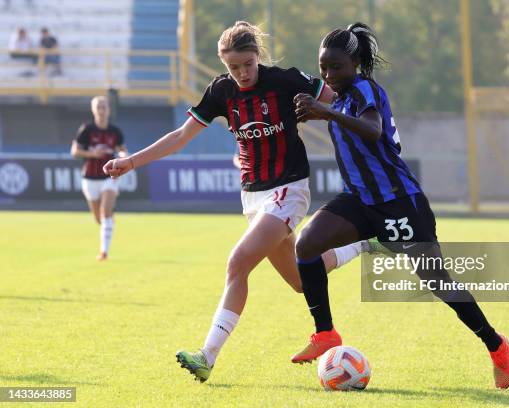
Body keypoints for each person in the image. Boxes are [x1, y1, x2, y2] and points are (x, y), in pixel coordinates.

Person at [103, 21, 366, 383]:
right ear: (223, 65)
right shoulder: (221, 91)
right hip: (253, 196)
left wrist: (374, 126)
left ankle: (207, 356)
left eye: (248, 63)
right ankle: (366, 243)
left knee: (237, 262)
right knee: (301, 280)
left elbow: (342, 104)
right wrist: (131, 161)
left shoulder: (285, 80)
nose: (242, 73)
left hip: (289, 189)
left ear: (258, 56)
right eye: (233, 67)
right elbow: (181, 136)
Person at [290, 22, 509, 389]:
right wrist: (319, 110)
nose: (329, 75)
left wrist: (324, 111)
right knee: (307, 243)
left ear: (356, 63)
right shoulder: (342, 96)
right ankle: (326, 333)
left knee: (437, 282)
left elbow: (372, 129)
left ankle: (496, 345)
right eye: (323, 67)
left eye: (336, 67)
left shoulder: (364, 88)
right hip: (360, 200)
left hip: (399, 203)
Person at [71, 96, 128, 261]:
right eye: (98, 107)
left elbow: (123, 149)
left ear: (109, 110)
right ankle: (108, 221)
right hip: (89, 178)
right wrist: (91, 153)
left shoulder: (115, 131)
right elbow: (75, 151)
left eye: (104, 107)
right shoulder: (87, 130)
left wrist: (123, 157)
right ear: (93, 110)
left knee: (105, 213)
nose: (102, 110)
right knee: (99, 219)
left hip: (108, 177)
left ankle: (104, 252)